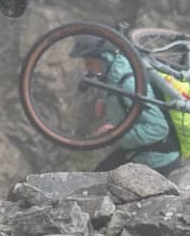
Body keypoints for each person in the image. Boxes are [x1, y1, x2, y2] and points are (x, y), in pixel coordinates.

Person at [70, 37, 182, 176]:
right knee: (93, 181)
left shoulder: (128, 84)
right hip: (136, 153)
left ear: (104, 59)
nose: (87, 68)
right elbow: (129, 111)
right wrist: (107, 107)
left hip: (158, 162)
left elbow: (159, 129)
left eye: (89, 63)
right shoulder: (112, 76)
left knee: (97, 187)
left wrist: (115, 134)